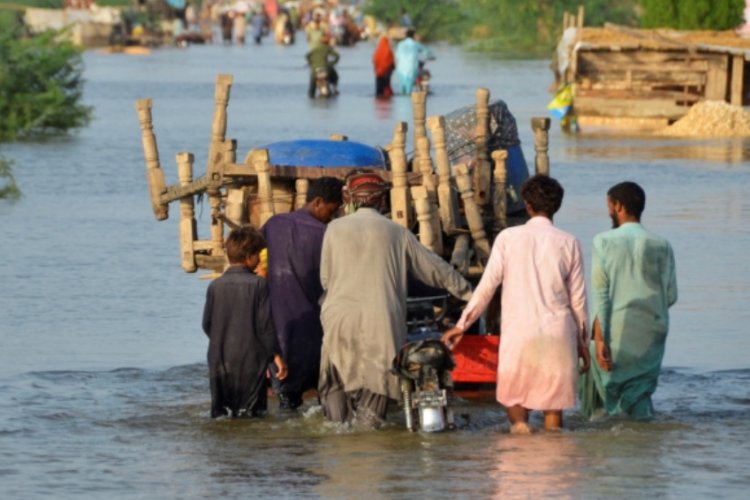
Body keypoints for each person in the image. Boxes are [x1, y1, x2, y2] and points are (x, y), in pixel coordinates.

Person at [318, 171, 473, 427]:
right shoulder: (396, 232)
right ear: (382, 201)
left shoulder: (334, 229)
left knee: (336, 383)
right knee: (376, 391)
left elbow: (326, 279)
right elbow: (436, 269)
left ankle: (337, 435)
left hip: (338, 319)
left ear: (352, 200)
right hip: (381, 322)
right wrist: (470, 294)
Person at [443, 174, 590, 433]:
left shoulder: (508, 238)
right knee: (553, 414)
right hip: (557, 333)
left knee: (516, 406)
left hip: (520, 334)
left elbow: (487, 287)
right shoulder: (570, 243)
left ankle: (519, 450)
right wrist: (582, 343)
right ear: (557, 206)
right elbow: (578, 302)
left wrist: (462, 324)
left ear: (527, 205)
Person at [579, 182, 678, 420]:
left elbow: (601, 294)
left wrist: (600, 338)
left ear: (618, 206)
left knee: (607, 394)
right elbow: (671, 296)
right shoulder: (662, 244)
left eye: (609, 206)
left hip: (617, 327)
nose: (609, 211)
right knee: (641, 392)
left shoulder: (603, 241)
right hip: (653, 329)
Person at [261, 177, 344, 410]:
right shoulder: (325, 234)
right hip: (313, 326)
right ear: (318, 202)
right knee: (324, 395)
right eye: (332, 209)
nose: (333, 215)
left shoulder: (274, 223)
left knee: (287, 399)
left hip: (278, 328)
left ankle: (289, 443)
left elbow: (254, 253)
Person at [202, 227, 288, 418]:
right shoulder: (259, 285)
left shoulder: (214, 286)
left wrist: (222, 341)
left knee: (222, 414)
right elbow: (265, 325)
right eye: (258, 255)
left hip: (219, 359)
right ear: (249, 256)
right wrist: (276, 357)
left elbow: (207, 324)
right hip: (251, 361)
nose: (259, 260)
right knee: (252, 415)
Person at [394, 29, 430, 94]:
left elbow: (397, 56)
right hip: (412, 69)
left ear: (405, 36)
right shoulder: (416, 44)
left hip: (401, 69)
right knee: (409, 90)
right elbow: (427, 52)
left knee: (402, 89)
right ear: (413, 36)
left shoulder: (400, 44)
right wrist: (425, 60)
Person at [305, 33, 339, 98]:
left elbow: (307, 56)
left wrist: (311, 62)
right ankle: (335, 88)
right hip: (325, 69)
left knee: (312, 85)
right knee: (335, 76)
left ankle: (311, 94)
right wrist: (333, 63)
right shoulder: (327, 48)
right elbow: (337, 56)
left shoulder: (315, 48)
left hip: (315, 70)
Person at [372, 33, 394, 97]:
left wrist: (377, 69)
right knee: (386, 87)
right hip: (387, 72)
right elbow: (391, 62)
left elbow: (374, 61)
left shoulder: (378, 51)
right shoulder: (389, 50)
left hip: (379, 73)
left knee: (379, 89)